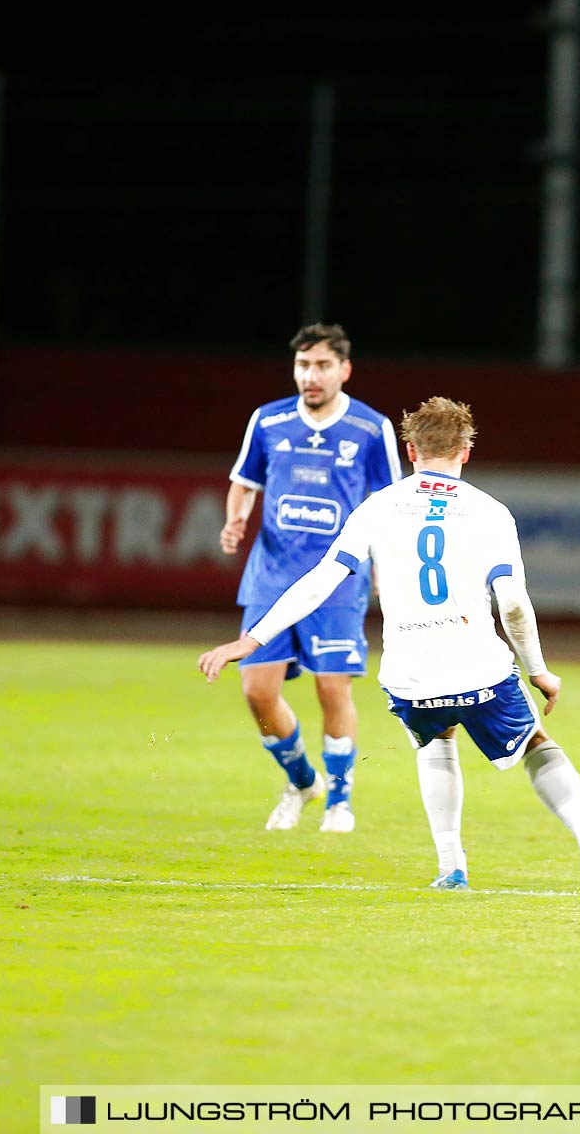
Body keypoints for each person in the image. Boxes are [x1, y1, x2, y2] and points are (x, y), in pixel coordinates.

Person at [200, 397, 580, 892]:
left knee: (436, 741)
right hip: (477, 665)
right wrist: (537, 669)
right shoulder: (489, 512)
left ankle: (451, 868)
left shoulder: (378, 506)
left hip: (409, 676)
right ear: (466, 452)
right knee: (537, 743)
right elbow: (512, 603)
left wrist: (251, 638)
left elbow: (321, 580)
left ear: (410, 449)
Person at [221, 324, 400, 832]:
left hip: (338, 580)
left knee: (331, 688)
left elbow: (391, 504)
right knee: (257, 690)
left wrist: (386, 568)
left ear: (344, 369)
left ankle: (340, 800)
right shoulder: (268, 420)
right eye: (303, 366)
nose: (310, 376)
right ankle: (303, 781)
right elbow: (243, 482)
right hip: (271, 575)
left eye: (322, 366)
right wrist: (236, 517)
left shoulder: (370, 429)